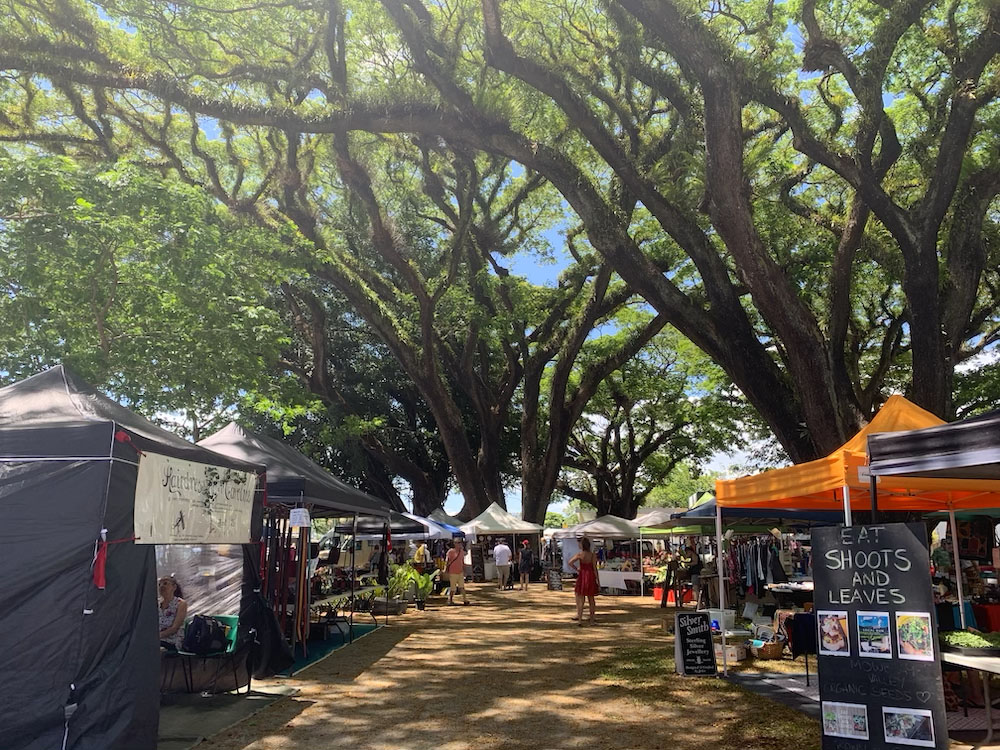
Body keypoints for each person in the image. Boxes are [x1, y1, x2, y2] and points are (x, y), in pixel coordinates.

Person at [569, 538, 599, 625]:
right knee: (591, 599)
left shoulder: (580, 554)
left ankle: (580, 620)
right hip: (590, 576)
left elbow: (570, 562)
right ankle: (592, 620)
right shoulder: (592, 555)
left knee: (581, 599)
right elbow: (594, 568)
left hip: (582, 576)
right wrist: (598, 580)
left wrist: (577, 569)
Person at [158, 575, 188, 650]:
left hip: (172, 640)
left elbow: (175, 628)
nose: (162, 586)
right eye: (159, 584)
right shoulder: (157, 604)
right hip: (157, 639)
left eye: (165, 583)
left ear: (174, 587)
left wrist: (158, 636)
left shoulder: (180, 603)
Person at [445, 539, 469, 605]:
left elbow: (462, 562)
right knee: (453, 588)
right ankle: (450, 600)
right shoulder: (450, 552)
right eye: (457, 543)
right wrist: (446, 570)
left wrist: (465, 570)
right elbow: (447, 561)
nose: (459, 544)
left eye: (460, 543)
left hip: (460, 572)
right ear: (454, 544)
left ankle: (465, 600)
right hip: (453, 572)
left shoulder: (461, 552)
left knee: (462, 587)